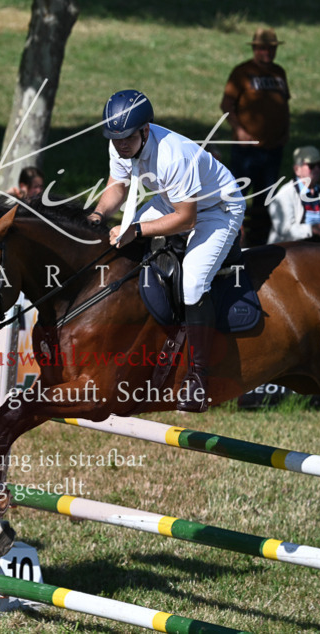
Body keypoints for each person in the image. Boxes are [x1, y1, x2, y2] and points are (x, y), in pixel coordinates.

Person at [88, 89, 245, 413]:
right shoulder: (120, 141)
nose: (120, 145)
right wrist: (96, 216)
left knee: (192, 282)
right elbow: (117, 186)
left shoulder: (174, 156)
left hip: (217, 210)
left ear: (145, 130)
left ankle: (200, 378)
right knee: (119, 252)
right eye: (115, 138)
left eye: (127, 138)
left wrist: (137, 229)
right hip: (170, 199)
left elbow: (187, 218)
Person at [220, 27, 291, 246]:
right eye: (262, 48)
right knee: (237, 194)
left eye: (271, 48)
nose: (267, 53)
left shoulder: (279, 73)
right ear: (255, 49)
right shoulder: (242, 72)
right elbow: (226, 104)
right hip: (246, 148)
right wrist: (239, 130)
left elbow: (284, 104)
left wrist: (286, 131)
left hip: (272, 148)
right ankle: (232, 238)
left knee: (266, 195)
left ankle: (259, 242)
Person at [267, 146, 320, 243]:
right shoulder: (285, 194)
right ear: (297, 169)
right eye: (311, 165)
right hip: (290, 251)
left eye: (319, 165)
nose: (317, 169)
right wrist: (312, 229)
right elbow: (285, 231)